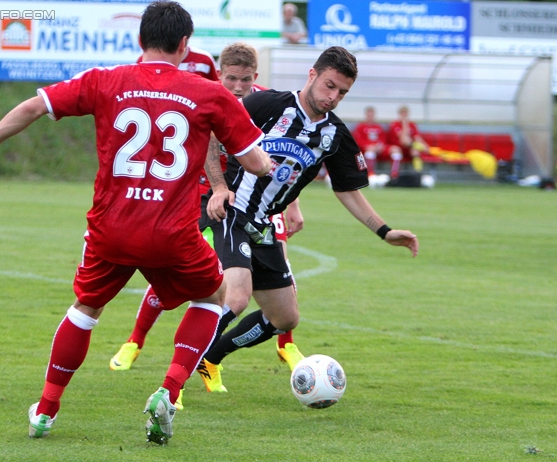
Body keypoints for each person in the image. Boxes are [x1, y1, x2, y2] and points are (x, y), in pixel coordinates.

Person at [0, 1, 271, 445]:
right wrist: (269, 161)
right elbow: (254, 161)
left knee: (85, 310)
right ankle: (169, 392)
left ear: (141, 40)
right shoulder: (207, 92)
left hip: (110, 229)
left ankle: (46, 409)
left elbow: (34, 106)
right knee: (214, 297)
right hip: (171, 232)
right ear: (185, 44)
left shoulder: (106, 80)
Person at [195, 46, 419, 393]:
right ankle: (176, 375)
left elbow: (347, 191)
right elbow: (212, 132)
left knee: (285, 318)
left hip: (263, 224)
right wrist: (220, 186)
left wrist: (384, 231)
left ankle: (210, 357)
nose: (333, 97)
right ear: (312, 75)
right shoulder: (268, 104)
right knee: (237, 297)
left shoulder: (335, 135)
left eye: (342, 92)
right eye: (329, 86)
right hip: (231, 210)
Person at [109, 42, 306, 402]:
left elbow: (284, 159)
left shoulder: (265, 104)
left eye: (245, 80)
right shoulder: (202, 96)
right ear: (219, 73)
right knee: (173, 266)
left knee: (276, 288)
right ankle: (135, 343)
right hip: (197, 194)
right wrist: (214, 186)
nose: (237, 86)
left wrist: (291, 204)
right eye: (230, 78)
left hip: (249, 203)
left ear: (255, 78)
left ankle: (240, 353)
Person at [385, 105, 429, 178]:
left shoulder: (412, 124)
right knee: (405, 141)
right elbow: (402, 138)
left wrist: (425, 145)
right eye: (403, 113)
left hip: (408, 149)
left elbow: (417, 137)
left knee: (415, 151)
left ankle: (418, 173)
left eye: (406, 113)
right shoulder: (395, 124)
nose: (404, 115)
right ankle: (394, 174)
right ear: (399, 114)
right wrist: (405, 123)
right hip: (398, 147)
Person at [352, 106, 386, 177]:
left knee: (396, 150)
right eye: (369, 115)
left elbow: (382, 140)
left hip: (378, 149)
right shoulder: (360, 127)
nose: (370, 117)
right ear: (366, 115)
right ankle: (370, 174)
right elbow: (358, 141)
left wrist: (378, 146)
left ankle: (394, 175)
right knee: (370, 152)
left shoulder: (378, 127)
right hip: (364, 150)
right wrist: (367, 146)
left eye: (372, 115)